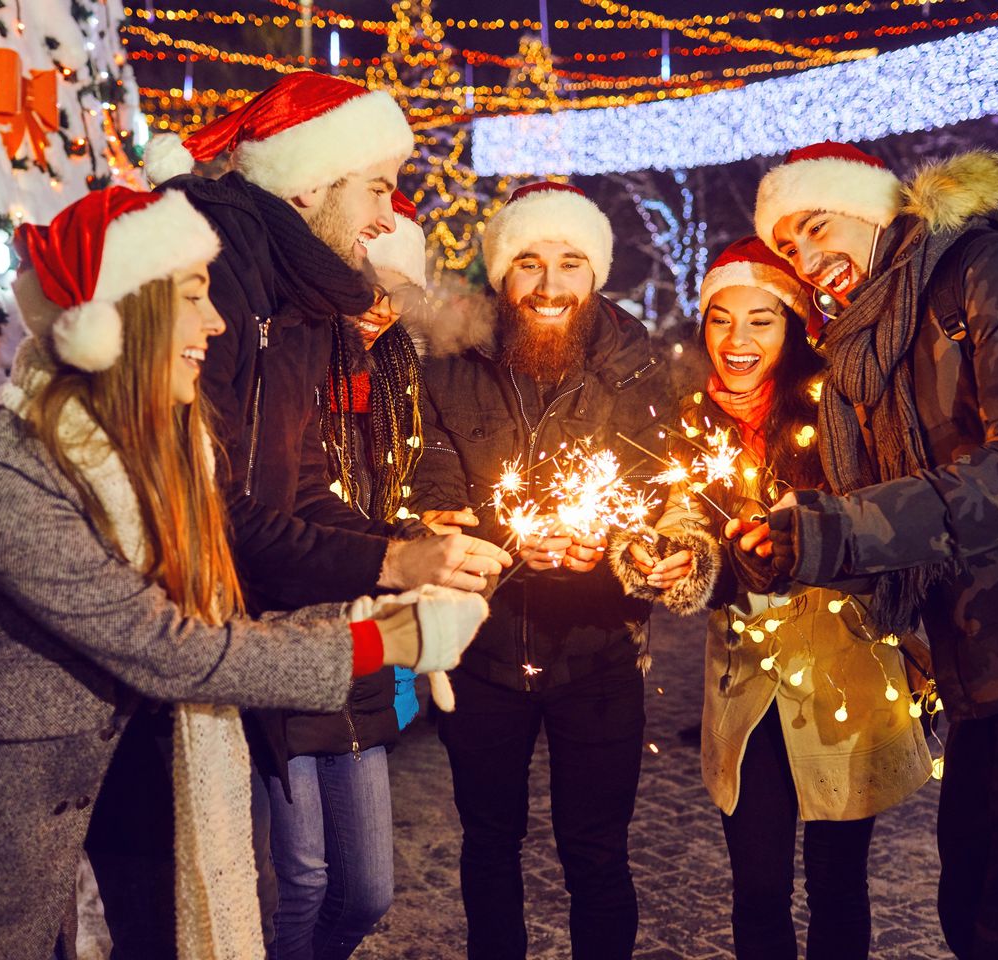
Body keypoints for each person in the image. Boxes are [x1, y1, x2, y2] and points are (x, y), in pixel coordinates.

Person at [0, 187, 488, 960]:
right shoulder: (7, 470)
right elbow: (167, 646)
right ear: (120, 319)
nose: (217, 322)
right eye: (194, 298)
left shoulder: (157, 459)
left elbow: (211, 629)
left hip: (60, 813)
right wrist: (385, 640)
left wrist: (375, 605)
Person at [88, 73, 511, 955]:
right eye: (376, 184)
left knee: (330, 893)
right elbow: (214, 510)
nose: (389, 213)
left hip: (270, 623)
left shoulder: (302, 292)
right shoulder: (222, 281)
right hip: (193, 644)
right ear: (312, 180)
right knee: (225, 901)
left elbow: (304, 482)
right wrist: (392, 570)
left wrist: (404, 539)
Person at [737, 141, 998, 959]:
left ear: (878, 207)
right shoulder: (874, 346)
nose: (808, 259)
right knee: (970, 918)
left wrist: (837, 527)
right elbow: (910, 520)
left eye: (816, 227)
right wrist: (791, 545)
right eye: (787, 248)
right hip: (988, 680)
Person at [608, 236, 931, 959]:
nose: (738, 339)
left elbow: (888, 531)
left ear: (794, 324)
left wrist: (810, 542)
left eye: (761, 319)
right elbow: (684, 514)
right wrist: (677, 556)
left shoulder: (840, 411)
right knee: (756, 889)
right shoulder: (695, 418)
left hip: (842, 677)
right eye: (721, 318)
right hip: (747, 684)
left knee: (838, 885)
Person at [411, 182, 673, 960]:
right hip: (485, 653)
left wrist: (616, 546)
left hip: (598, 653)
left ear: (596, 275)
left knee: (597, 853)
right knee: (489, 843)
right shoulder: (451, 364)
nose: (550, 285)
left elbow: (658, 487)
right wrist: (502, 540)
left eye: (569, 263)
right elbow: (431, 481)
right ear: (501, 274)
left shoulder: (635, 365)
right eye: (528, 263)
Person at [268, 193, 434, 960]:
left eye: (392, 297)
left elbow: (401, 492)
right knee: (301, 878)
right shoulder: (292, 372)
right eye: (366, 292)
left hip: (363, 645)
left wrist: (420, 536)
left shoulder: (398, 385)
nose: (377, 312)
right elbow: (286, 511)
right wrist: (394, 551)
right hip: (286, 638)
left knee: (367, 890)